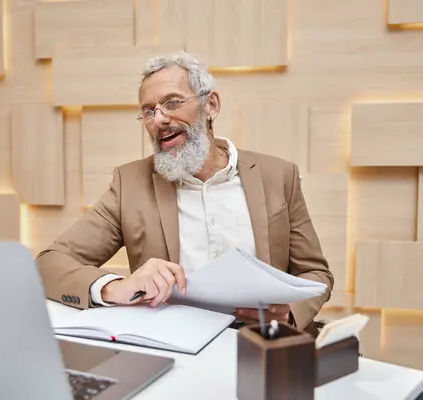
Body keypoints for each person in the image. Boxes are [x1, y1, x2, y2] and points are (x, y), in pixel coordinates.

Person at [36, 52, 334, 334]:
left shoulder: (278, 175)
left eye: (172, 103)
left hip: (265, 349)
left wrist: (289, 313)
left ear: (211, 105)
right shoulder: (130, 184)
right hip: (174, 350)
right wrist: (115, 287)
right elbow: (49, 262)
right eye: (149, 111)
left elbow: (316, 274)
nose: (159, 120)